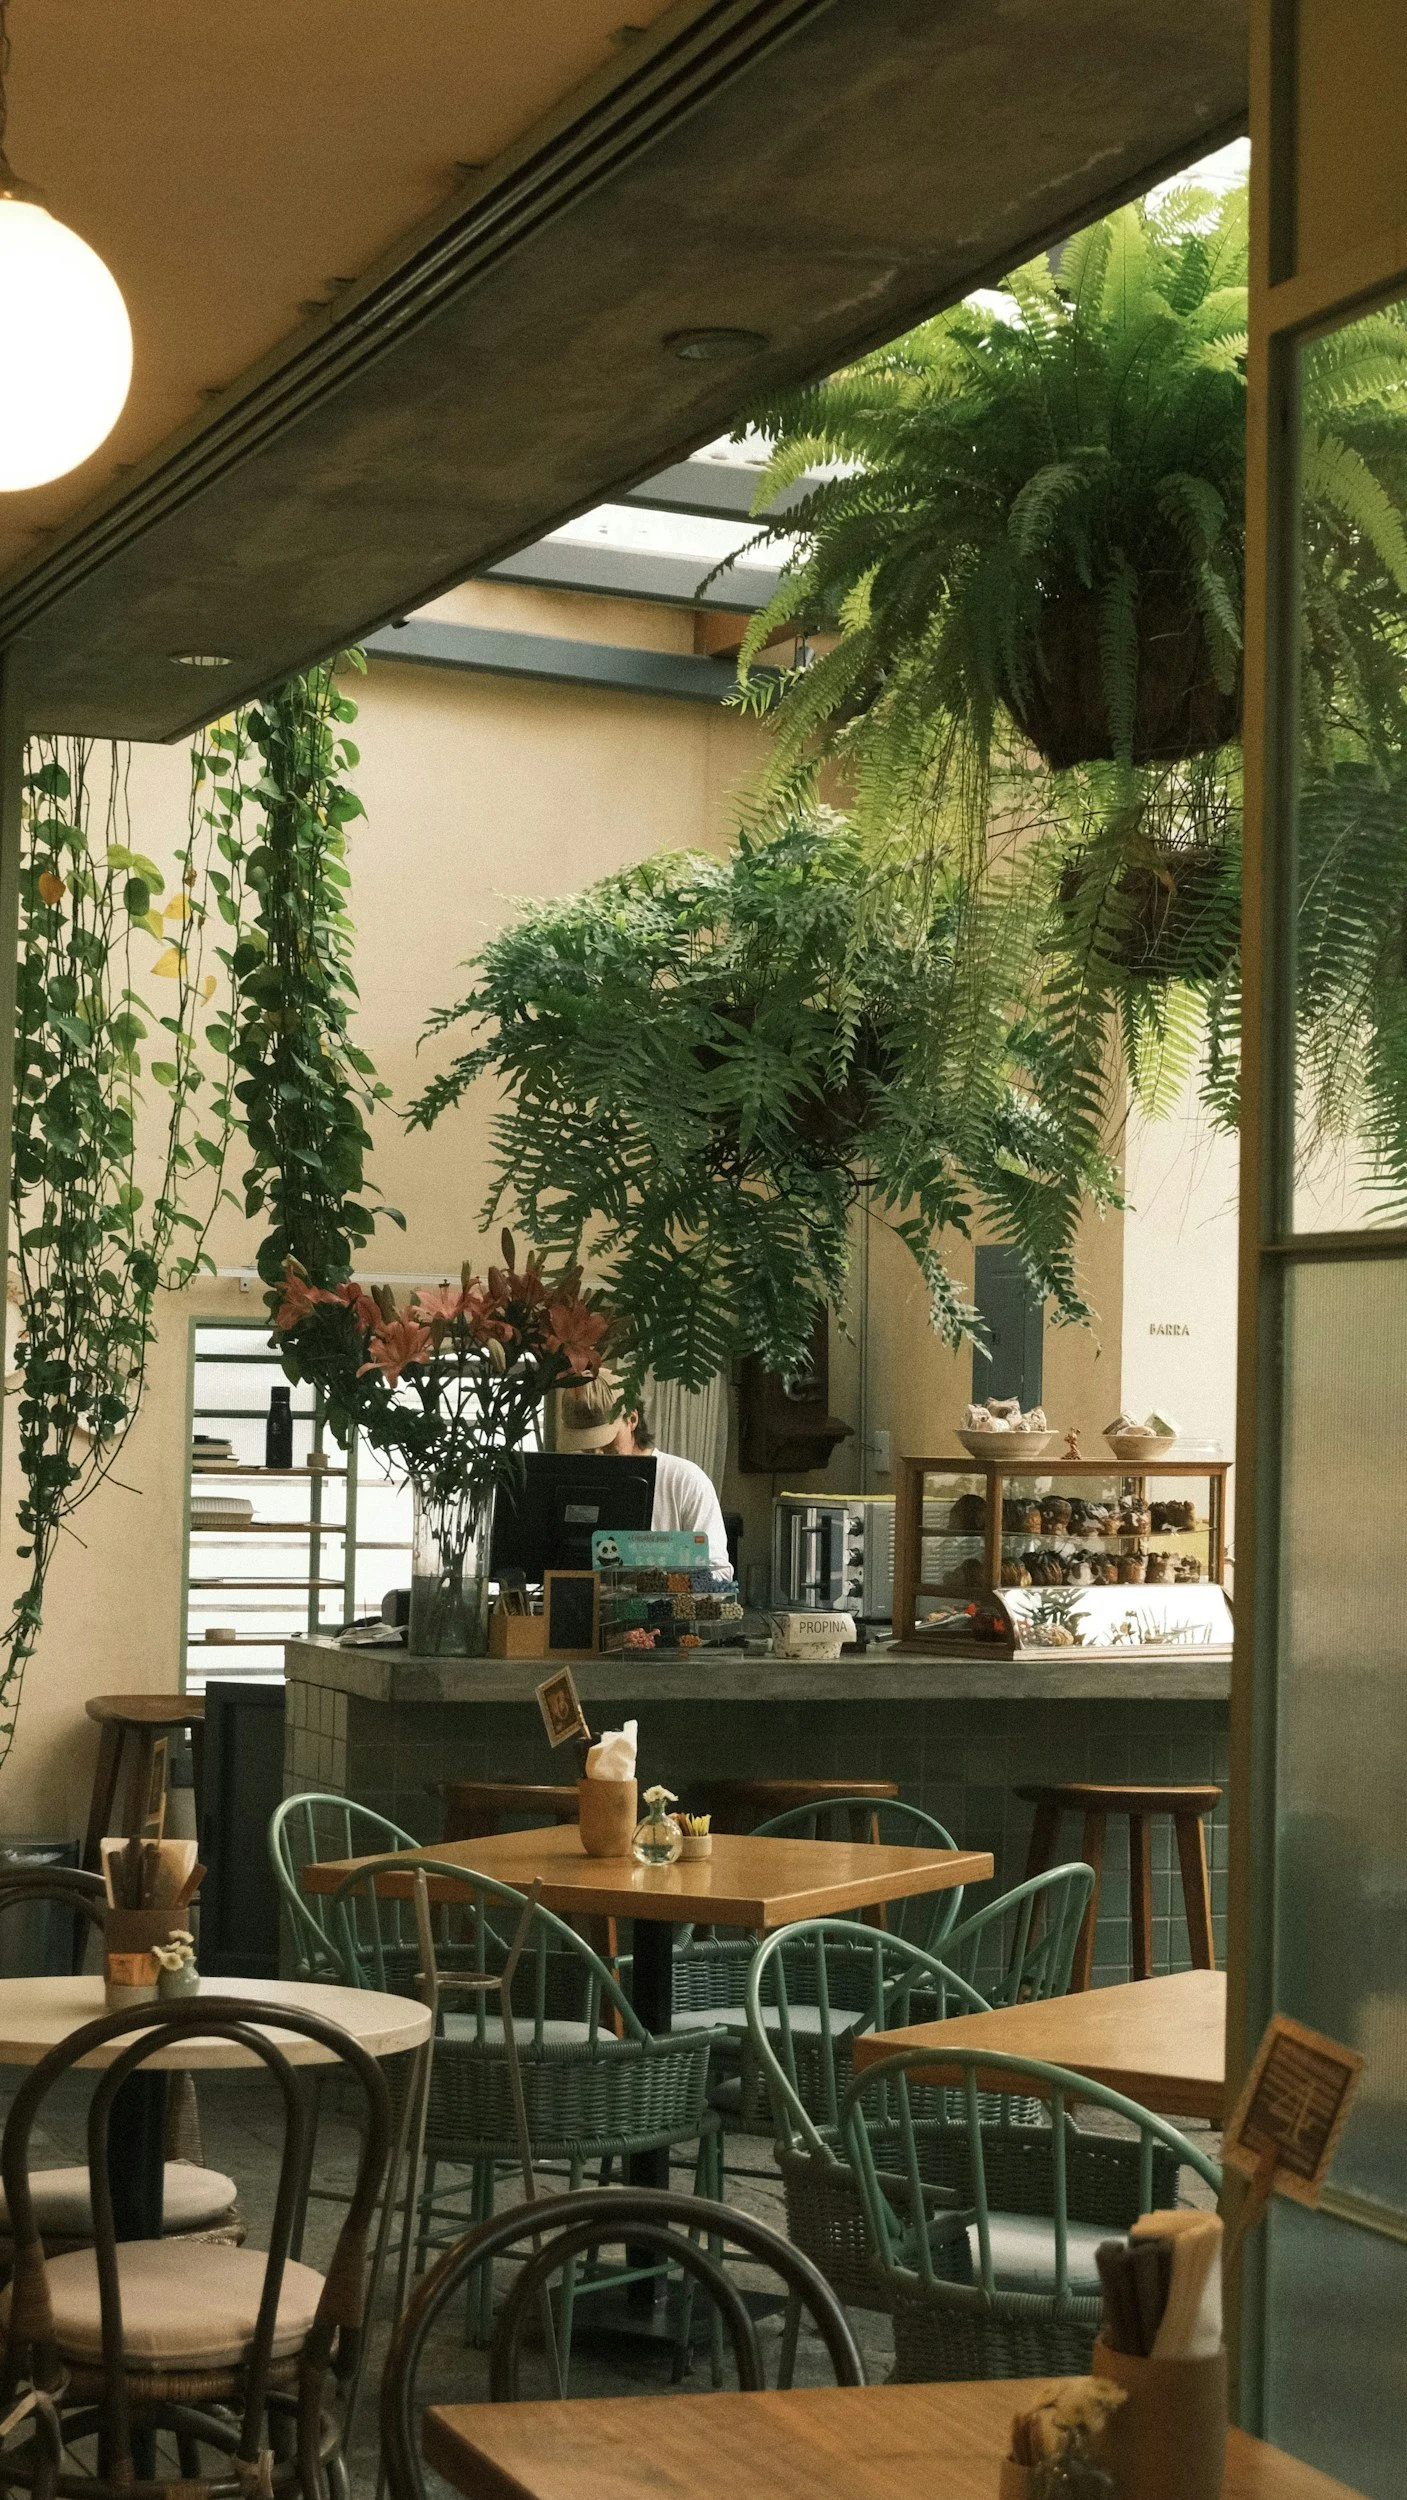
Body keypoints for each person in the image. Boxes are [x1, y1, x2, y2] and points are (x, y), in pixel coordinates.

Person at [556, 1372, 732, 1573]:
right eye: (586, 1445)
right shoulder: (575, 1481)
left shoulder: (685, 1480)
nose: (597, 1452)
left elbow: (718, 1571)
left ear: (631, 1419)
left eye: (606, 1441)